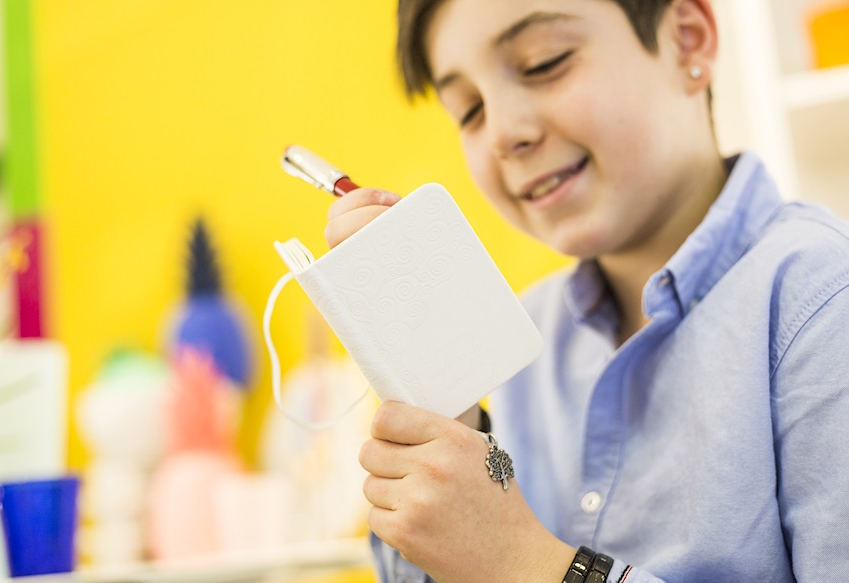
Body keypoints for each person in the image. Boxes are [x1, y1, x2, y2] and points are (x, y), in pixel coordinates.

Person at [323, 0, 849, 581]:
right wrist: (443, 407)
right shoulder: (523, 333)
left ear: (687, 40)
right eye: (469, 110)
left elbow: (506, 558)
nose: (503, 134)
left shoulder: (822, 301)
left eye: (545, 63)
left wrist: (526, 562)